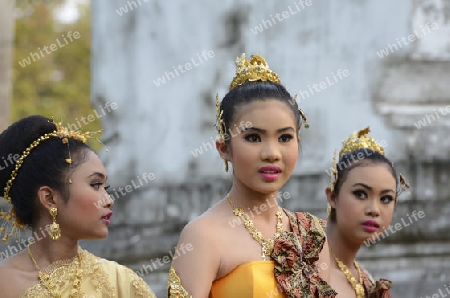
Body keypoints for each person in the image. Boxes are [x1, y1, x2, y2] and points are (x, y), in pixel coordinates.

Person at [167, 53, 337, 298]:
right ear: (224, 148)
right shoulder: (203, 236)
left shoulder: (313, 234)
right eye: (253, 138)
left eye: (285, 138)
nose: (272, 153)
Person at [0, 115, 156, 298]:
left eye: (106, 187)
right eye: (95, 184)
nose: (109, 200)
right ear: (49, 198)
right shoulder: (4, 282)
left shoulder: (121, 283)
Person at [325, 127, 409, 298]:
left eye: (385, 198)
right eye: (361, 194)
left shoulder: (368, 283)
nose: (374, 210)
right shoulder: (298, 265)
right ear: (333, 197)